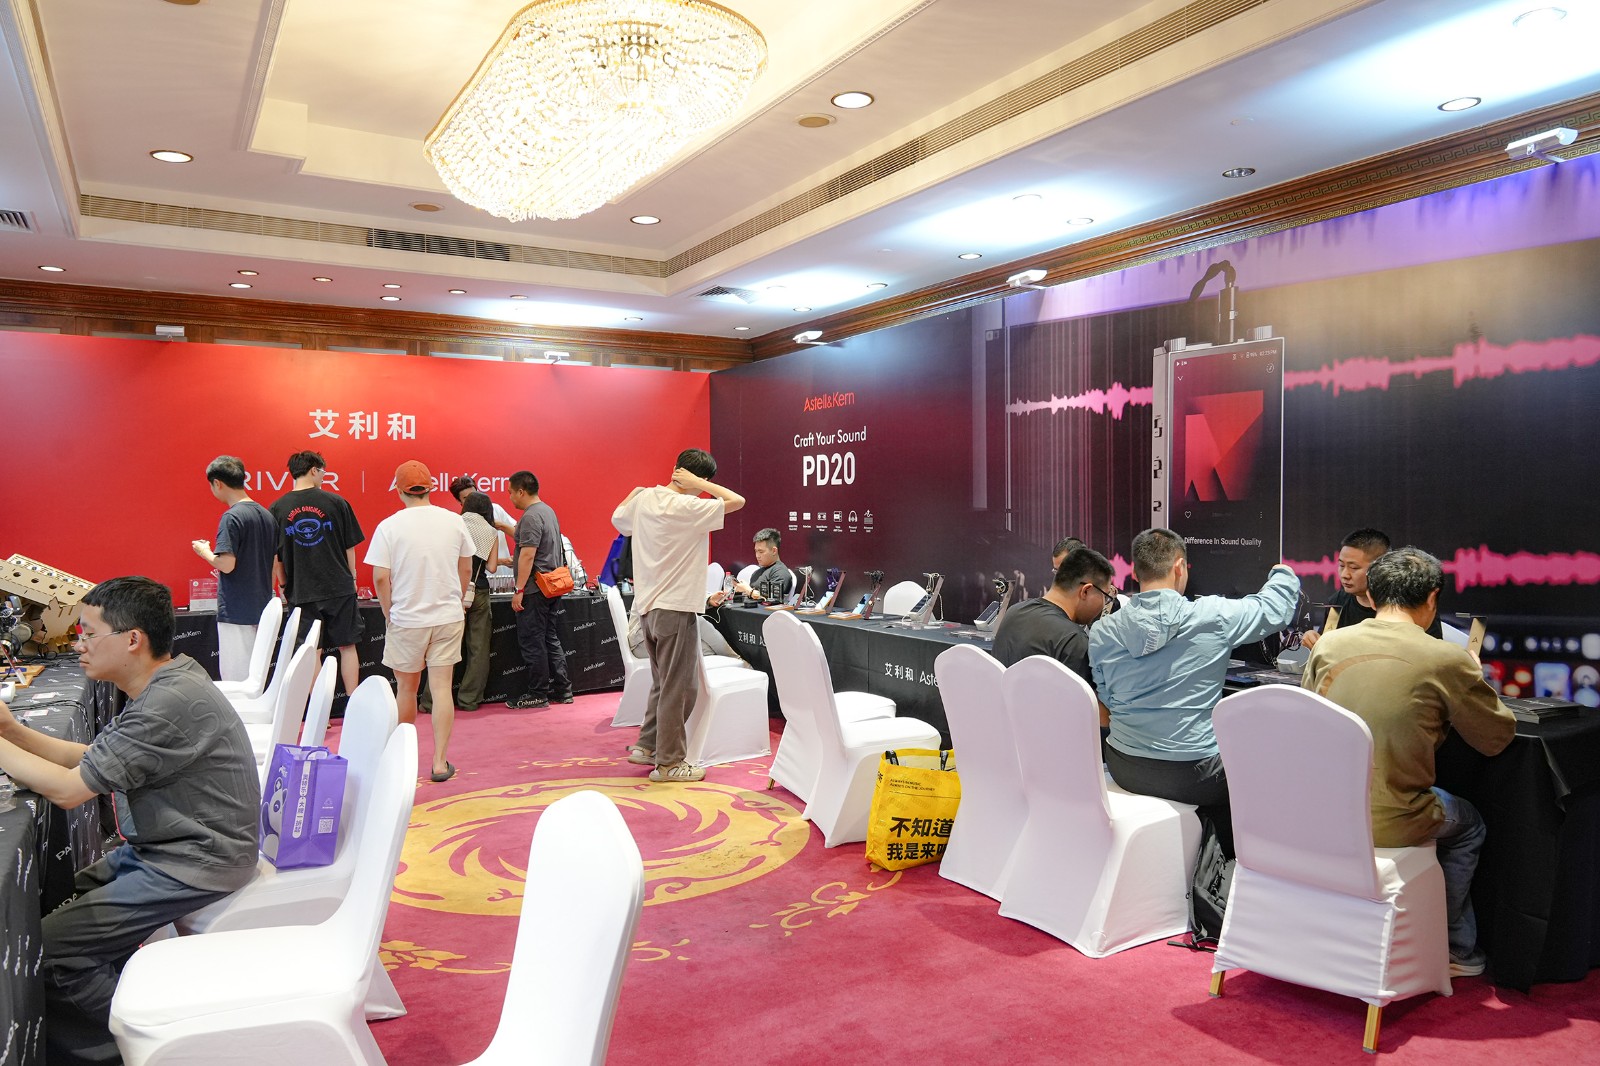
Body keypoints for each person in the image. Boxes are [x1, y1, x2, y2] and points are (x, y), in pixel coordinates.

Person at [0, 576, 258, 1065]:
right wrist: (12, 731)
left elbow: (69, 791)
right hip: (170, 848)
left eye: (88, 634)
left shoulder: (167, 702)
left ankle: (150, 1051)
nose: (78, 645)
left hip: (197, 860)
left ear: (132, 639)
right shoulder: (168, 679)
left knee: (51, 951)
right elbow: (93, 757)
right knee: (63, 892)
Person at [1302, 547, 1515, 977]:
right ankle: (1453, 946)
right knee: (1470, 826)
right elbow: (1495, 738)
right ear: (1432, 598)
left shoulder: (1328, 645)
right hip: (1394, 817)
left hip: (1319, 811)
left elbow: (1307, 714)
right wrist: (1473, 676)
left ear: (1372, 594)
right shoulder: (1446, 657)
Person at [1089, 528, 1300, 852]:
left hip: (1124, 764)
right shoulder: (1212, 616)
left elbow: (1106, 695)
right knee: (1268, 767)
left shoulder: (1102, 631)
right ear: (1179, 567)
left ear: (1137, 572)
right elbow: (1274, 609)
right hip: (1196, 775)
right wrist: (1282, 573)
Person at [612, 449, 746, 782]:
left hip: (648, 608)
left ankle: (647, 746)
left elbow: (618, 519)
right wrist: (702, 484)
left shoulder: (646, 499)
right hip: (675, 607)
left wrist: (639, 490)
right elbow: (737, 501)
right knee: (681, 688)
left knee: (664, 684)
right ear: (699, 479)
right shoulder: (687, 506)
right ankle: (670, 763)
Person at [365, 461, 474, 782]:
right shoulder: (454, 521)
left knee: (406, 689)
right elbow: (466, 568)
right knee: (441, 689)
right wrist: (457, 599)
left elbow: (380, 577)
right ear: (431, 488)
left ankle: (401, 760)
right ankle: (439, 763)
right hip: (447, 616)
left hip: (407, 618)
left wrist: (388, 611)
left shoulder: (389, 526)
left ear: (399, 491)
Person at [269, 450, 365, 697]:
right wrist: (352, 578)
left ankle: (318, 709)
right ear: (313, 470)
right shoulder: (337, 502)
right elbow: (349, 547)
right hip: (339, 586)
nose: (323, 476)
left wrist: (283, 584)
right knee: (348, 646)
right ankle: (353, 701)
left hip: (302, 589)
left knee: (312, 650)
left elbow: (277, 556)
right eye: (322, 472)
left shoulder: (278, 508)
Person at [189, 454, 276, 681]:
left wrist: (204, 551)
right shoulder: (266, 515)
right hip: (262, 605)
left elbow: (226, 565)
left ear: (217, 483)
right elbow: (275, 562)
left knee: (236, 678)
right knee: (257, 677)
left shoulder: (232, 517)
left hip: (237, 609)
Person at [421, 490, 500, 714]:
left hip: (451, 590)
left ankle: (430, 701)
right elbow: (492, 567)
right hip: (478, 591)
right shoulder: (491, 531)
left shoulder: (454, 524)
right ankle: (469, 699)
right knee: (479, 649)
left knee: (443, 647)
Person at [994, 547, 1117, 685]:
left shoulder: (1014, 612)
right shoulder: (1073, 641)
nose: (1104, 604)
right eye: (1105, 596)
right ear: (1086, 591)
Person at [1301, 527, 1442, 646]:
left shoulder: (1410, 603)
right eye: (1341, 565)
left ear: (1379, 567)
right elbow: (1326, 642)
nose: (1344, 575)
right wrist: (1313, 639)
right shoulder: (1337, 602)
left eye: (1354, 568)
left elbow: (1432, 650)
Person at [507, 470, 572, 710]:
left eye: (511, 492)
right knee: (549, 638)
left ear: (521, 491)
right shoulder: (547, 511)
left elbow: (527, 555)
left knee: (533, 641)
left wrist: (519, 589)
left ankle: (537, 693)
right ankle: (562, 690)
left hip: (535, 590)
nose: (510, 497)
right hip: (551, 587)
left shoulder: (531, 517)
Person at [449, 474, 517, 577]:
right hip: (479, 580)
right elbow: (468, 562)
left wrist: (501, 526)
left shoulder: (496, 509)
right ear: (459, 501)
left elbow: (520, 535)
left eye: (474, 494)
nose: (473, 500)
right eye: (467, 498)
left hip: (504, 577)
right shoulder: (461, 524)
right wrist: (503, 561)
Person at [734, 527, 794, 603]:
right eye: (756, 551)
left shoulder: (780, 572)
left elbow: (774, 600)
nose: (757, 556)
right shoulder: (757, 573)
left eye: (761, 552)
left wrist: (748, 590)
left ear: (774, 551)